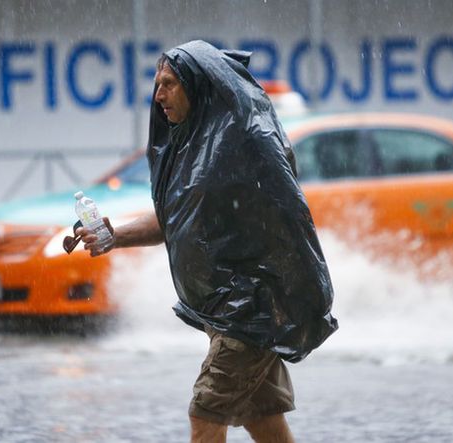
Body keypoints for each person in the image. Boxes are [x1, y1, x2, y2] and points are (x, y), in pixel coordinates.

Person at [77, 40, 337, 443]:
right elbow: (178, 219)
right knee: (262, 418)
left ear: (197, 86)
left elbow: (291, 223)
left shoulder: (244, 144)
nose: (158, 95)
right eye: (156, 84)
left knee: (206, 411)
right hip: (228, 312)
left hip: (250, 311)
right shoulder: (194, 144)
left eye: (168, 84)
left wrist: (292, 299)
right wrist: (115, 235)